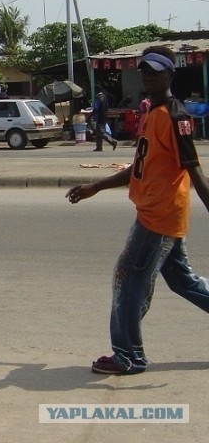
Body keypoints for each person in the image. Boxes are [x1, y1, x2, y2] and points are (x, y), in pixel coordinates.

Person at [66, 45, 209, 375]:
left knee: (127, 280)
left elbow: (195, 171)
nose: (147, 75)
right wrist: (96, 187)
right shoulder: (153, 114)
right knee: (183, 282)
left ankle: (129, 356)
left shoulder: (176, 117)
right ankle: (129, 354)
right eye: (144, 70)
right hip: (154, 214)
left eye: (155, 70)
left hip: (159, 219)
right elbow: (141, 168)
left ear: (170, 74)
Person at [92, 85, 117, 151]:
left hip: (99, 117)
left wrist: (90, 116)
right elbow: (107, 107)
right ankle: (99, 146)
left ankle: (112, 141)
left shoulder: (98, 97)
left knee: (101, 132)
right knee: (98, 132)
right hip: (104, 116)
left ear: (97, 90)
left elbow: (96, 108)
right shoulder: (105, 97)